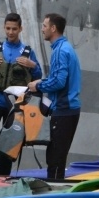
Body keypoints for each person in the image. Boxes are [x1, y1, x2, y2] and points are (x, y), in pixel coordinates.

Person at [0, 12, 42, 180]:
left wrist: (32, 65)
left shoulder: (27, 51)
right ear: (4, 28)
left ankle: (2, 176)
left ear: (20, 29)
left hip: (14, 106)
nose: (11, 32)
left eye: (14, 29)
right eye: (8, 28)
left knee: (10, 142)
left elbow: (38, 74)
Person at [27, 13, 82, 180]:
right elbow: (58, 79)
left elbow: (58, 82)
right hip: (69, 109)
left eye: (44, 26)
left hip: (64, 110)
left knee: (55, 159)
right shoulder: (65, 48)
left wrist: (38, 85)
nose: (42, 29)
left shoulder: (59, 51)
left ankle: (54, 195)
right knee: (58, 156)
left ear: (53, 28)